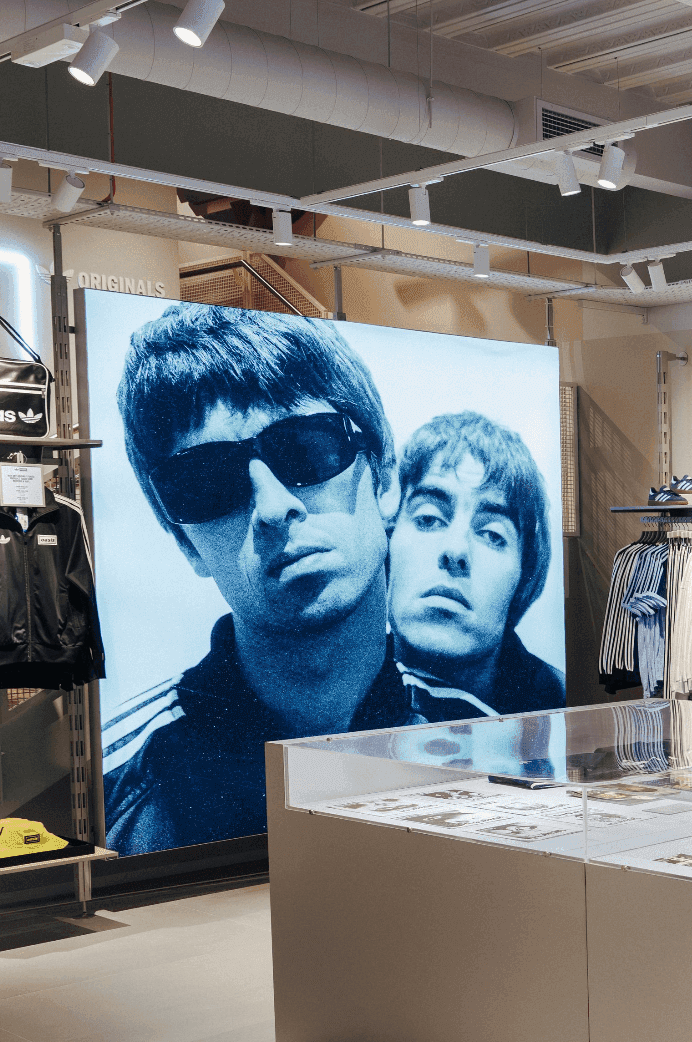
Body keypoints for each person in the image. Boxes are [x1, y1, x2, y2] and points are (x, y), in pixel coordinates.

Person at [101, 305, 415, 855]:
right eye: (208, 481)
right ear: (185, 543)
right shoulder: (111, 786)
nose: (273, 508)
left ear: (385, 479)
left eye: (305, 448)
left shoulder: (489, 730)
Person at [387, 411, 566, 720]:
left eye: (492, 535)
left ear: (524, 579)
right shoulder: (321, 702)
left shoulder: (570, 712)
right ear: (387, 542)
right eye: (428, 518)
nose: (456, 549)